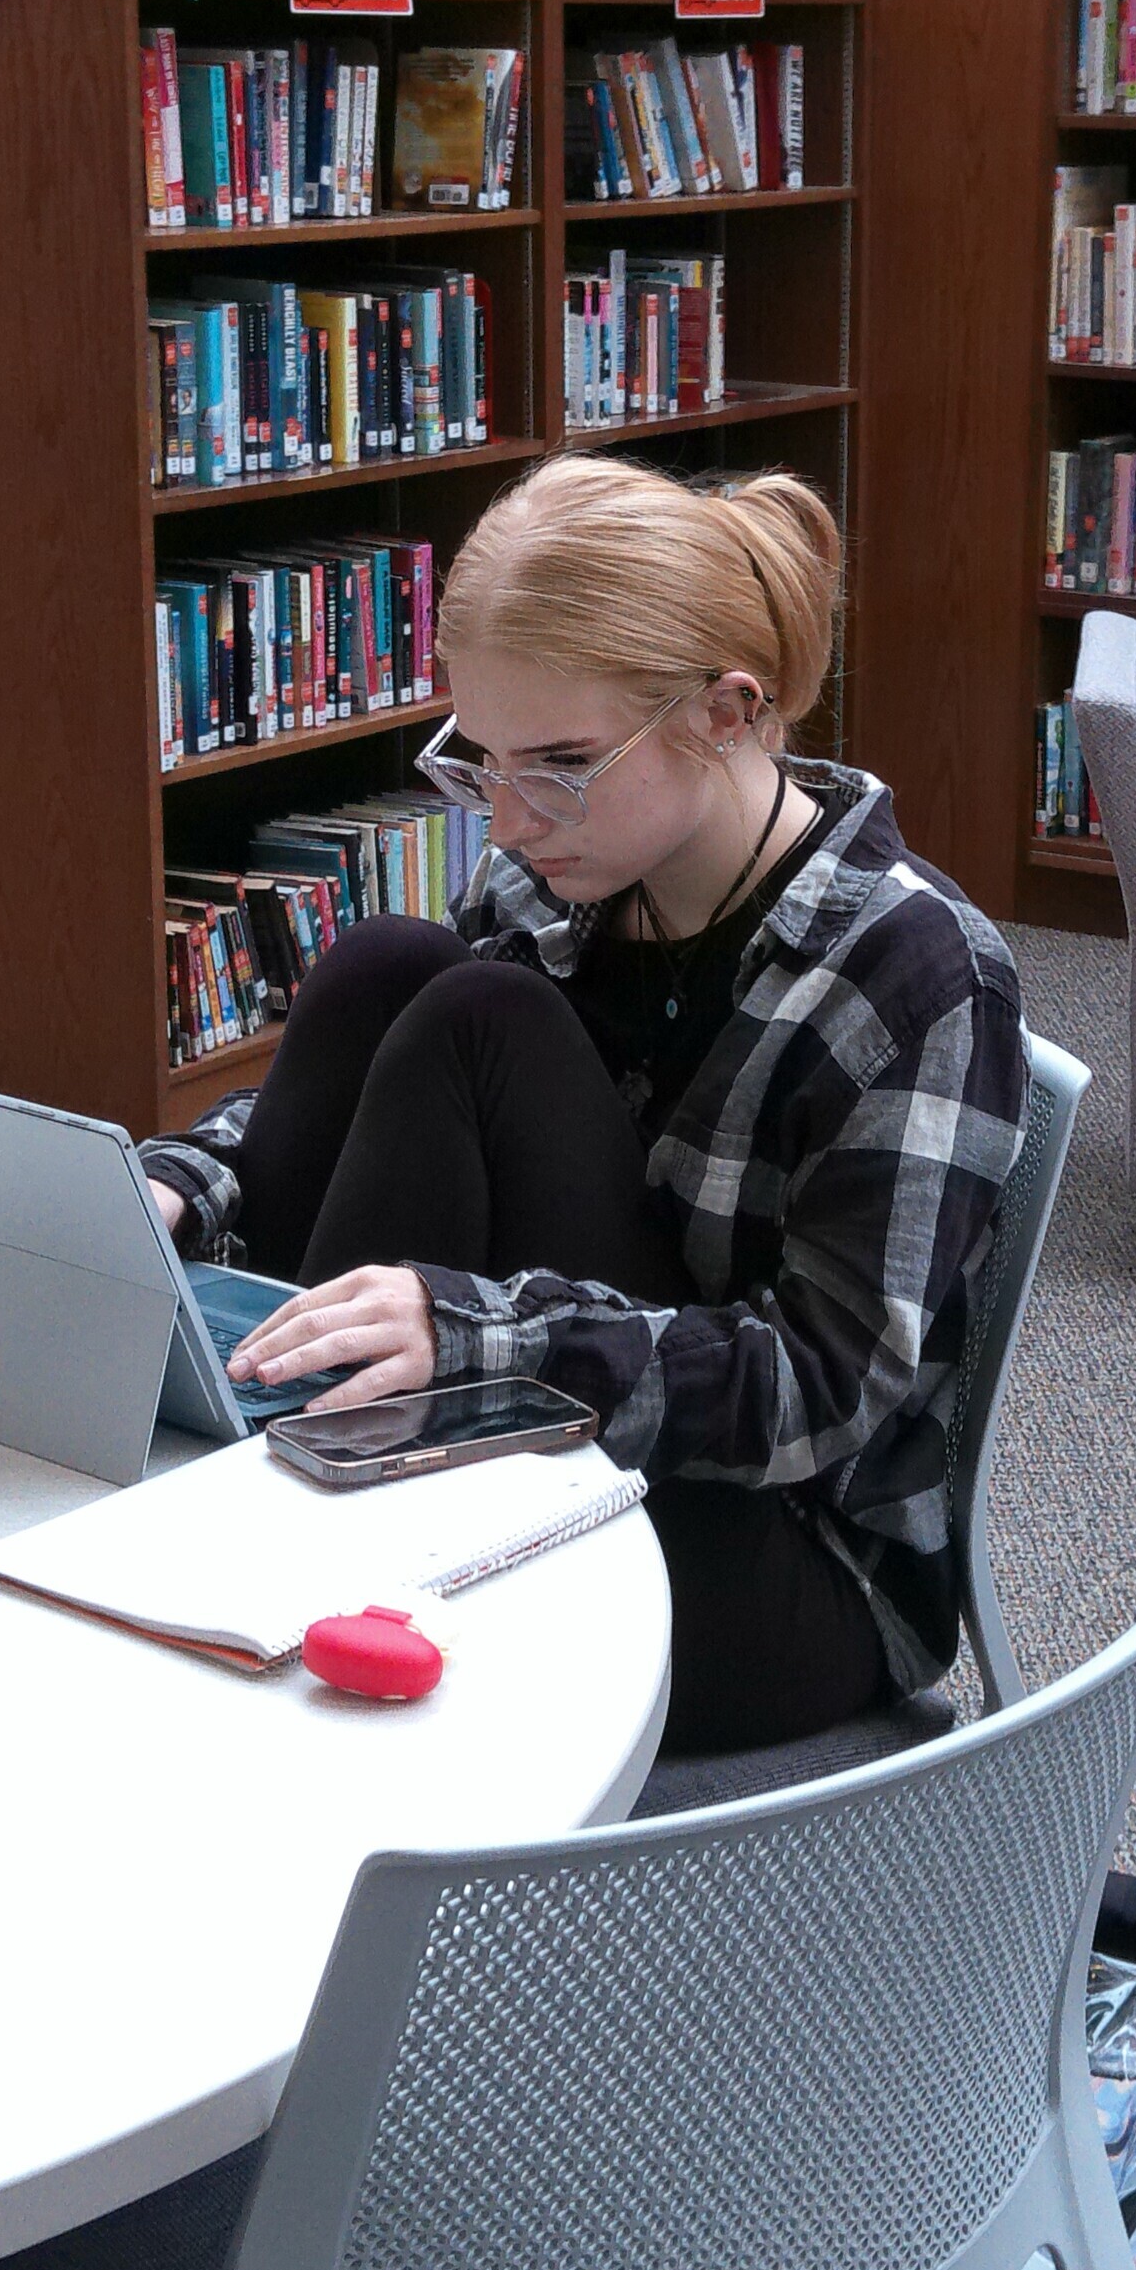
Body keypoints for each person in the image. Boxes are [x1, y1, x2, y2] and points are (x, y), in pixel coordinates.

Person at [135, 455, 1029, 1756]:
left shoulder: (917, 975)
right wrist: (181, 1183)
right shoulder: (565, 872)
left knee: (473, 1012)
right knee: (392, 963)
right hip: (560, 1451)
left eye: (557, 764)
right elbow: (385, 1093)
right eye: (480, 761)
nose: (505, 821)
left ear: (729, 711)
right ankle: (283, 1503)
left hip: (775, 1563)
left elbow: (822, 1390)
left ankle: (281, 1552)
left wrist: (495, 1342)